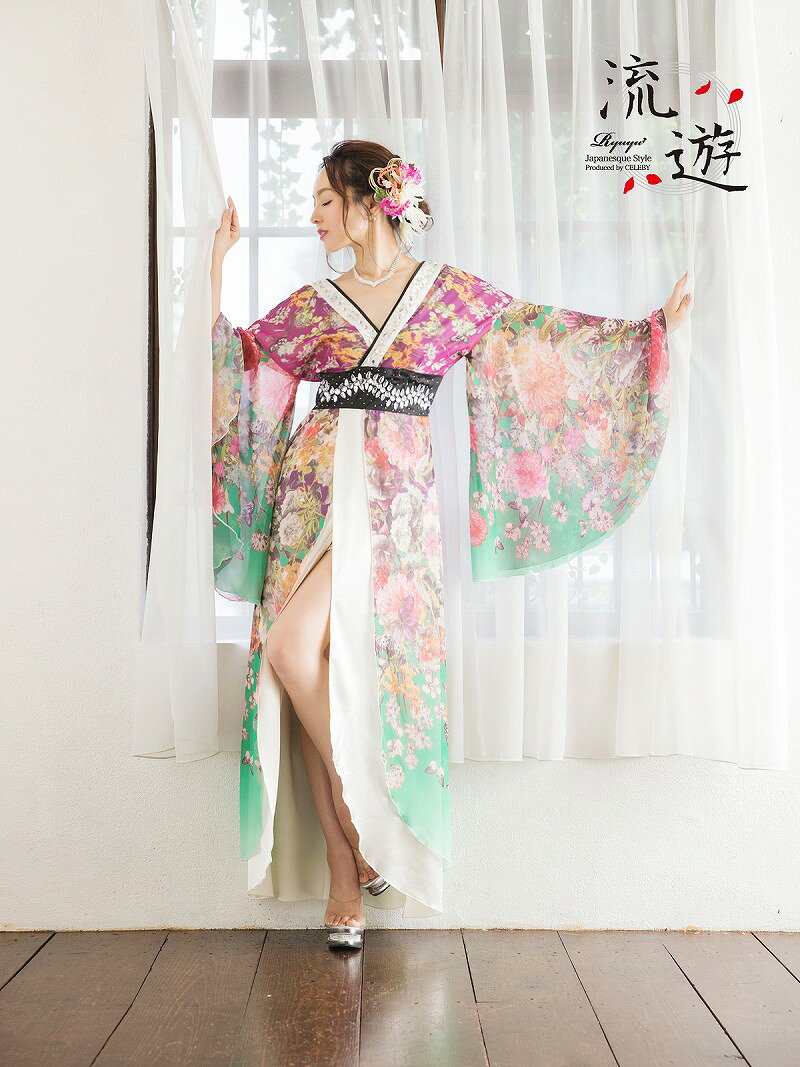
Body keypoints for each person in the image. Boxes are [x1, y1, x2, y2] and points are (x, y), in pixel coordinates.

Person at [210, 139, 691, 951]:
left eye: (324, 200)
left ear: (369, 201)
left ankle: (358, 840)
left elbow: (538, 338)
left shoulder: (447, 295)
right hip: (310, 498)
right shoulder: (316, 304)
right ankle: (348, 854)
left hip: (394, 506)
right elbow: (242, 362)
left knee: (319, 660)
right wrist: (217, 269)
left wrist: (651, 332)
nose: (313, 215)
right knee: (295, 657)